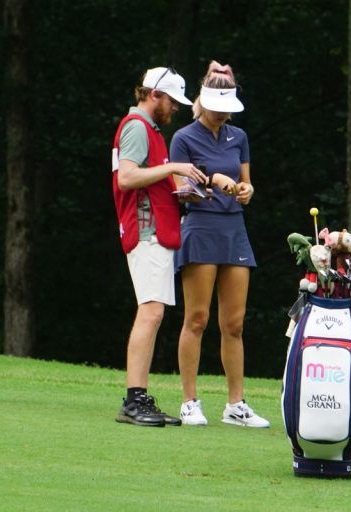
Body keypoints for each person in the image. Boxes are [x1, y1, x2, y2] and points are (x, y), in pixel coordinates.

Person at [170, 61, 269, 428]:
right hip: (200, 227)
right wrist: (213, 179)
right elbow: (180, 191)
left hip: (234, 229)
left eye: (229, 106)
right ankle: (190, 401)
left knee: (235, 323)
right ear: (205, 100)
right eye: (219, 105)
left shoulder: (238, 136)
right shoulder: (184, 137)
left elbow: (247, 183)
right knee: (197, 319)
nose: (224, 112)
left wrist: (246, 190)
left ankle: (235, 405)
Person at [111, 67, 207, 427]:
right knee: (150, 313)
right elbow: (128, 177)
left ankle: (138, 398)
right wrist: (174, 169)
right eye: (171, 101)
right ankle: (134, 400)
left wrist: (186, 189)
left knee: (153, 314)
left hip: (155, 230)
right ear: (155, 94)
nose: (175, 109)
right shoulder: (137, 127)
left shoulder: (148, 130)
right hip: (146, 231)